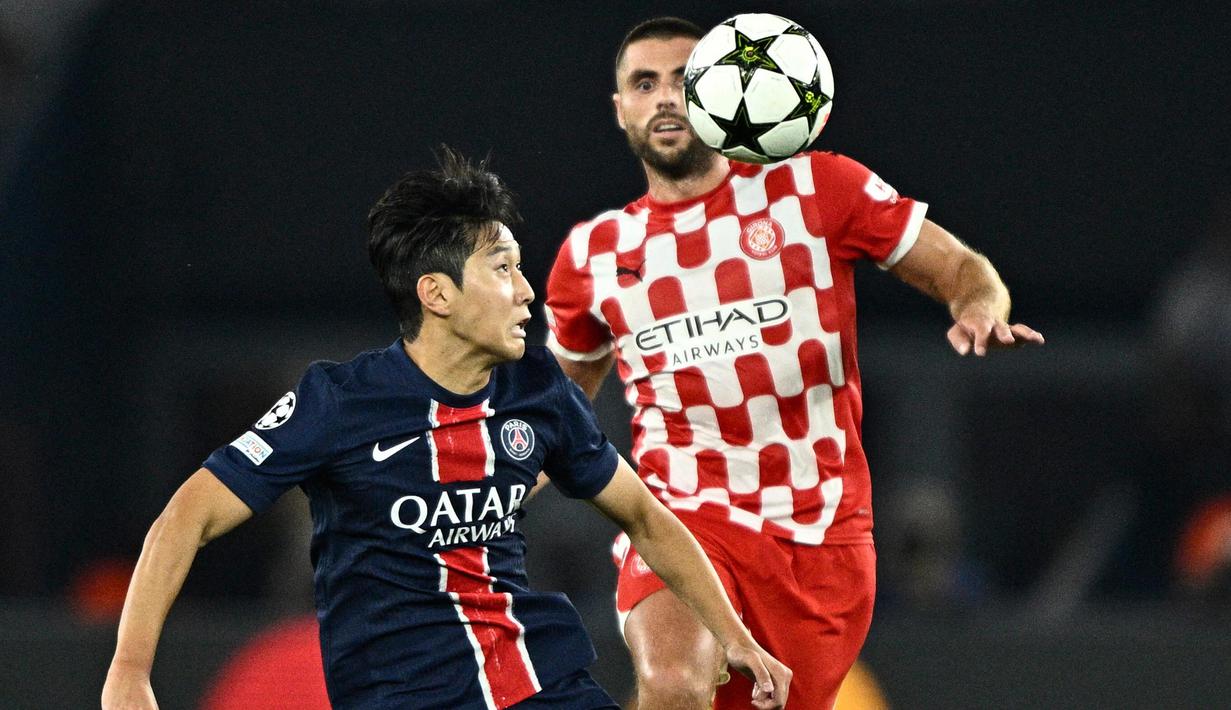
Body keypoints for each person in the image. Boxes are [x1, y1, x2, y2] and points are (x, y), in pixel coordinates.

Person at [101, 148, 791, 710]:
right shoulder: (337, 403)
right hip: (401, 695)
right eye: (502, 269)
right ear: (436, 294)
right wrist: (129, 669)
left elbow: (644, 516)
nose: (526, 291)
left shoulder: (537, 390)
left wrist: (734, 636)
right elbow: (185, 518)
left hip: (538, 681)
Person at [544, 17, 1044, 709]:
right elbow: (551, 417)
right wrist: (479, 493)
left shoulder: (815, 188)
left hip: (819, 536)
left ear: (722, 90)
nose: (663, 98)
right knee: (673, 683)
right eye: (643, 83)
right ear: (620, 108)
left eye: (683, 80)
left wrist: (979, 307)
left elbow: (960, 267)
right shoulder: (593, 254)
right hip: (682, 516)